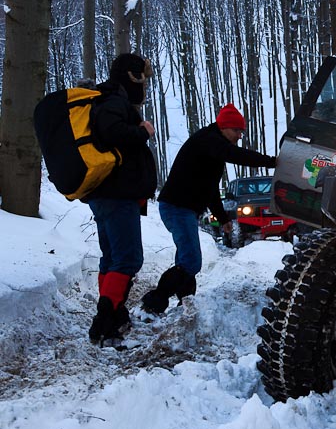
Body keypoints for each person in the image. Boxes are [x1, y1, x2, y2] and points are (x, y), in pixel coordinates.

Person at [140, 103, 276, 314]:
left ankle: (186, 306)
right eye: (237, 130)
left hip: (183, 208)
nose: (240, 135)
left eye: (242, 131)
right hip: (177, 207)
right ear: (223, 127)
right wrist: (272, 162)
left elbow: (210, 188)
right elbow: (236, 155)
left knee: (185, 260)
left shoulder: (212, 148)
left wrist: (223, 219)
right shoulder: (208, 140)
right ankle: (153, 302)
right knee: (191, 261)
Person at [85, 53, 157, 347]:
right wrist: (142, 131)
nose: (146, 87)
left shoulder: (106, 99)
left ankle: (113, 316)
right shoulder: (114, 101)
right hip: (117, 196)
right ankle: (104, 322)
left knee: (113, 258)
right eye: (144, 79)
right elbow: (112, 132)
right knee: (128, 259)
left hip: (107, 195)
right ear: (132, 77)